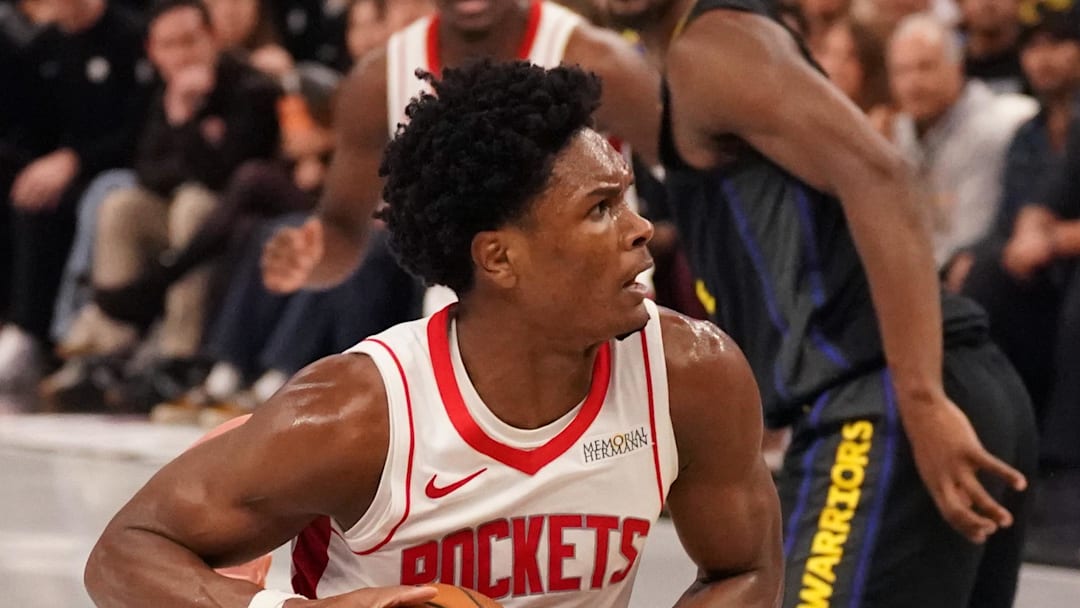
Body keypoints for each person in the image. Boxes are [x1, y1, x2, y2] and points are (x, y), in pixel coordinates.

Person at [84, 60, 783, 607]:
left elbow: (744, 567)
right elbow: (126, 553)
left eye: (625, 199)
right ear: (499, 257)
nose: (639, 231)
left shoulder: (692, 375)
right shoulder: (358, 417)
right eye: (600, 209)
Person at [601, 0, 1037, 606]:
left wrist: (921, 397)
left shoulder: (714, 45)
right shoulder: (696, 56)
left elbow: (883, 176)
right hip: (943, 380)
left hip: (882, 398)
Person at [260, 0, 661, 295]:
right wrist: (308, 259)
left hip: (604, 310)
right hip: (472, 334)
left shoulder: (600, 61)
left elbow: (693, 184)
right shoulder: (377, 82)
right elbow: (342, 230)